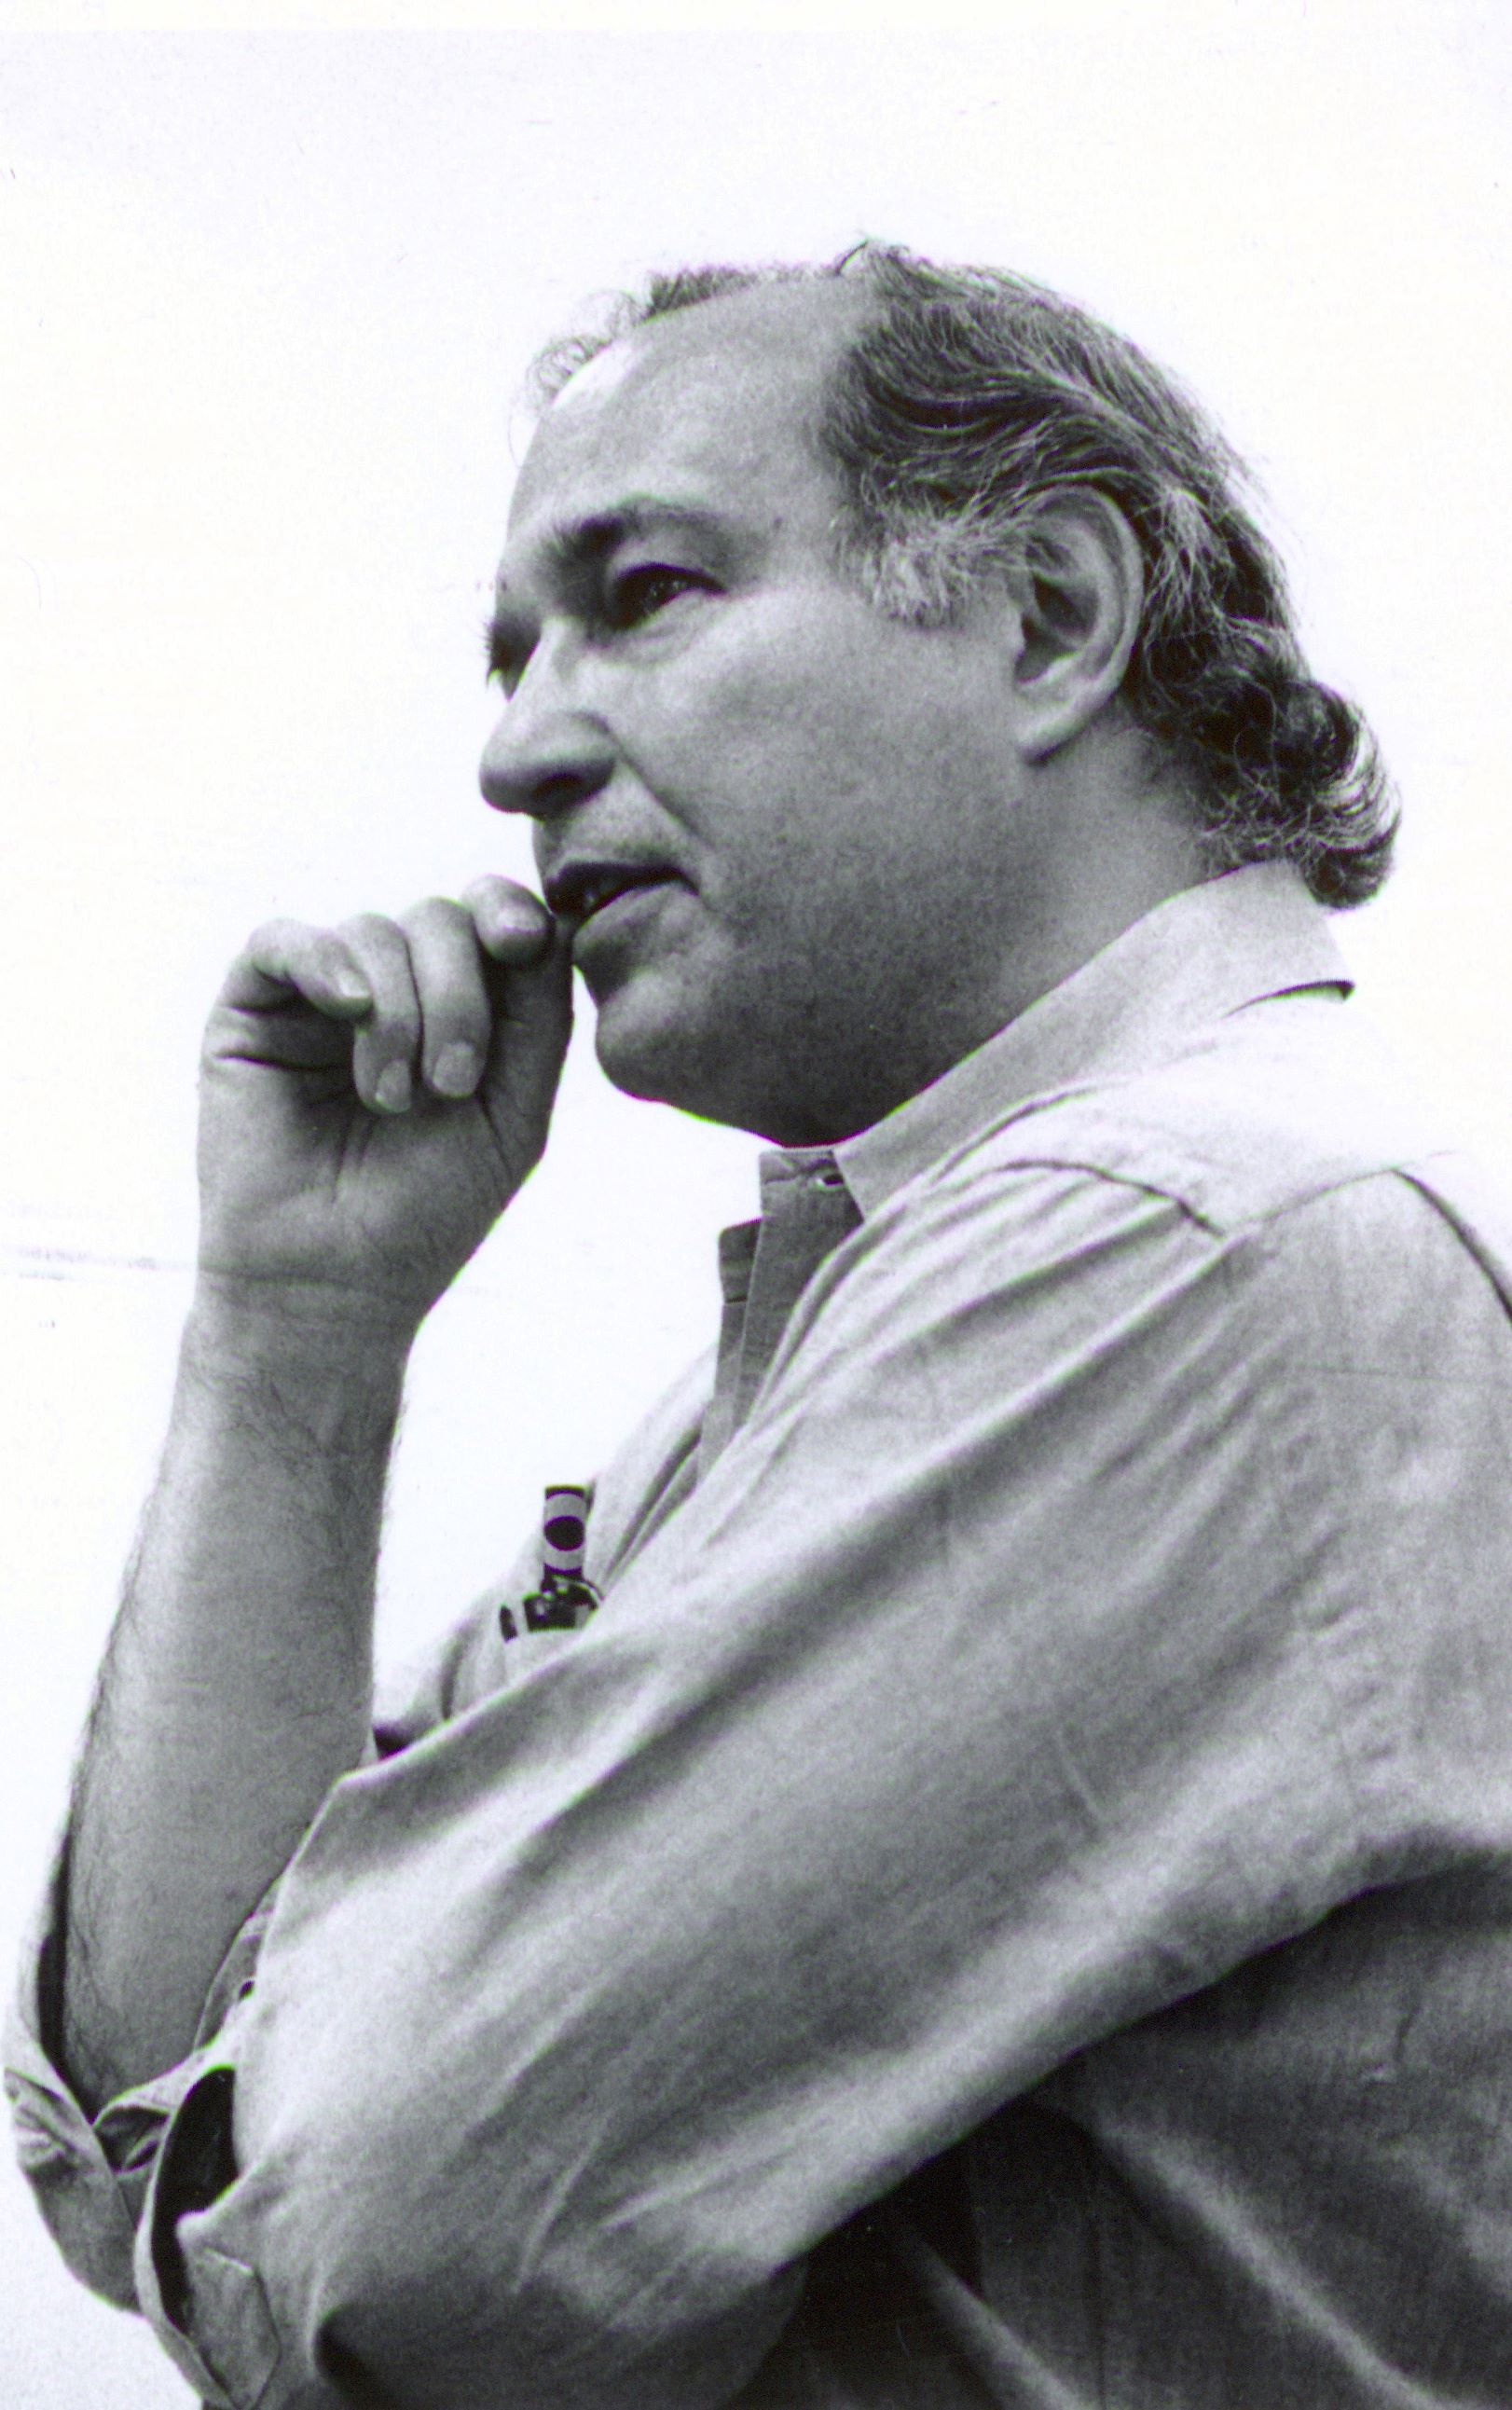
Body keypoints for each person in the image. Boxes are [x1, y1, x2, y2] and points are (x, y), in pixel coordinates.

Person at [8, 242, 1512, 2410]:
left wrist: (308, 2116)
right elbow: (163, 2156)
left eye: (642, 594)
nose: (515, 752)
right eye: (509, 656)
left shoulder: (1191, 1242)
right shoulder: (851, 1344)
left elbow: (363, 2250)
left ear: (1049, 618)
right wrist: (294, 1346)